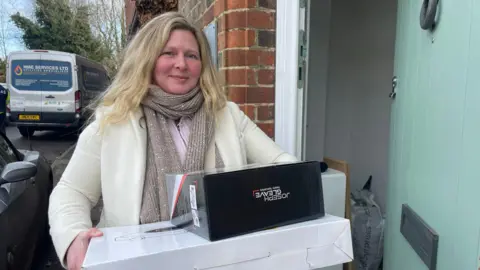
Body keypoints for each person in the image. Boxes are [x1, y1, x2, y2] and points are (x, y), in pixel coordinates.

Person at [48, 12, 297, 270]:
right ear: (147, 58)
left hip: (221, 260)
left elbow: (281, 163)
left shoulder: (227, 115)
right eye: (169, 53)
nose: (182, 64)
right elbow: (71, 191)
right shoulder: (112, 121)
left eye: (192, 55)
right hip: (133, 262)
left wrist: (287, 194)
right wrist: (74, 236)